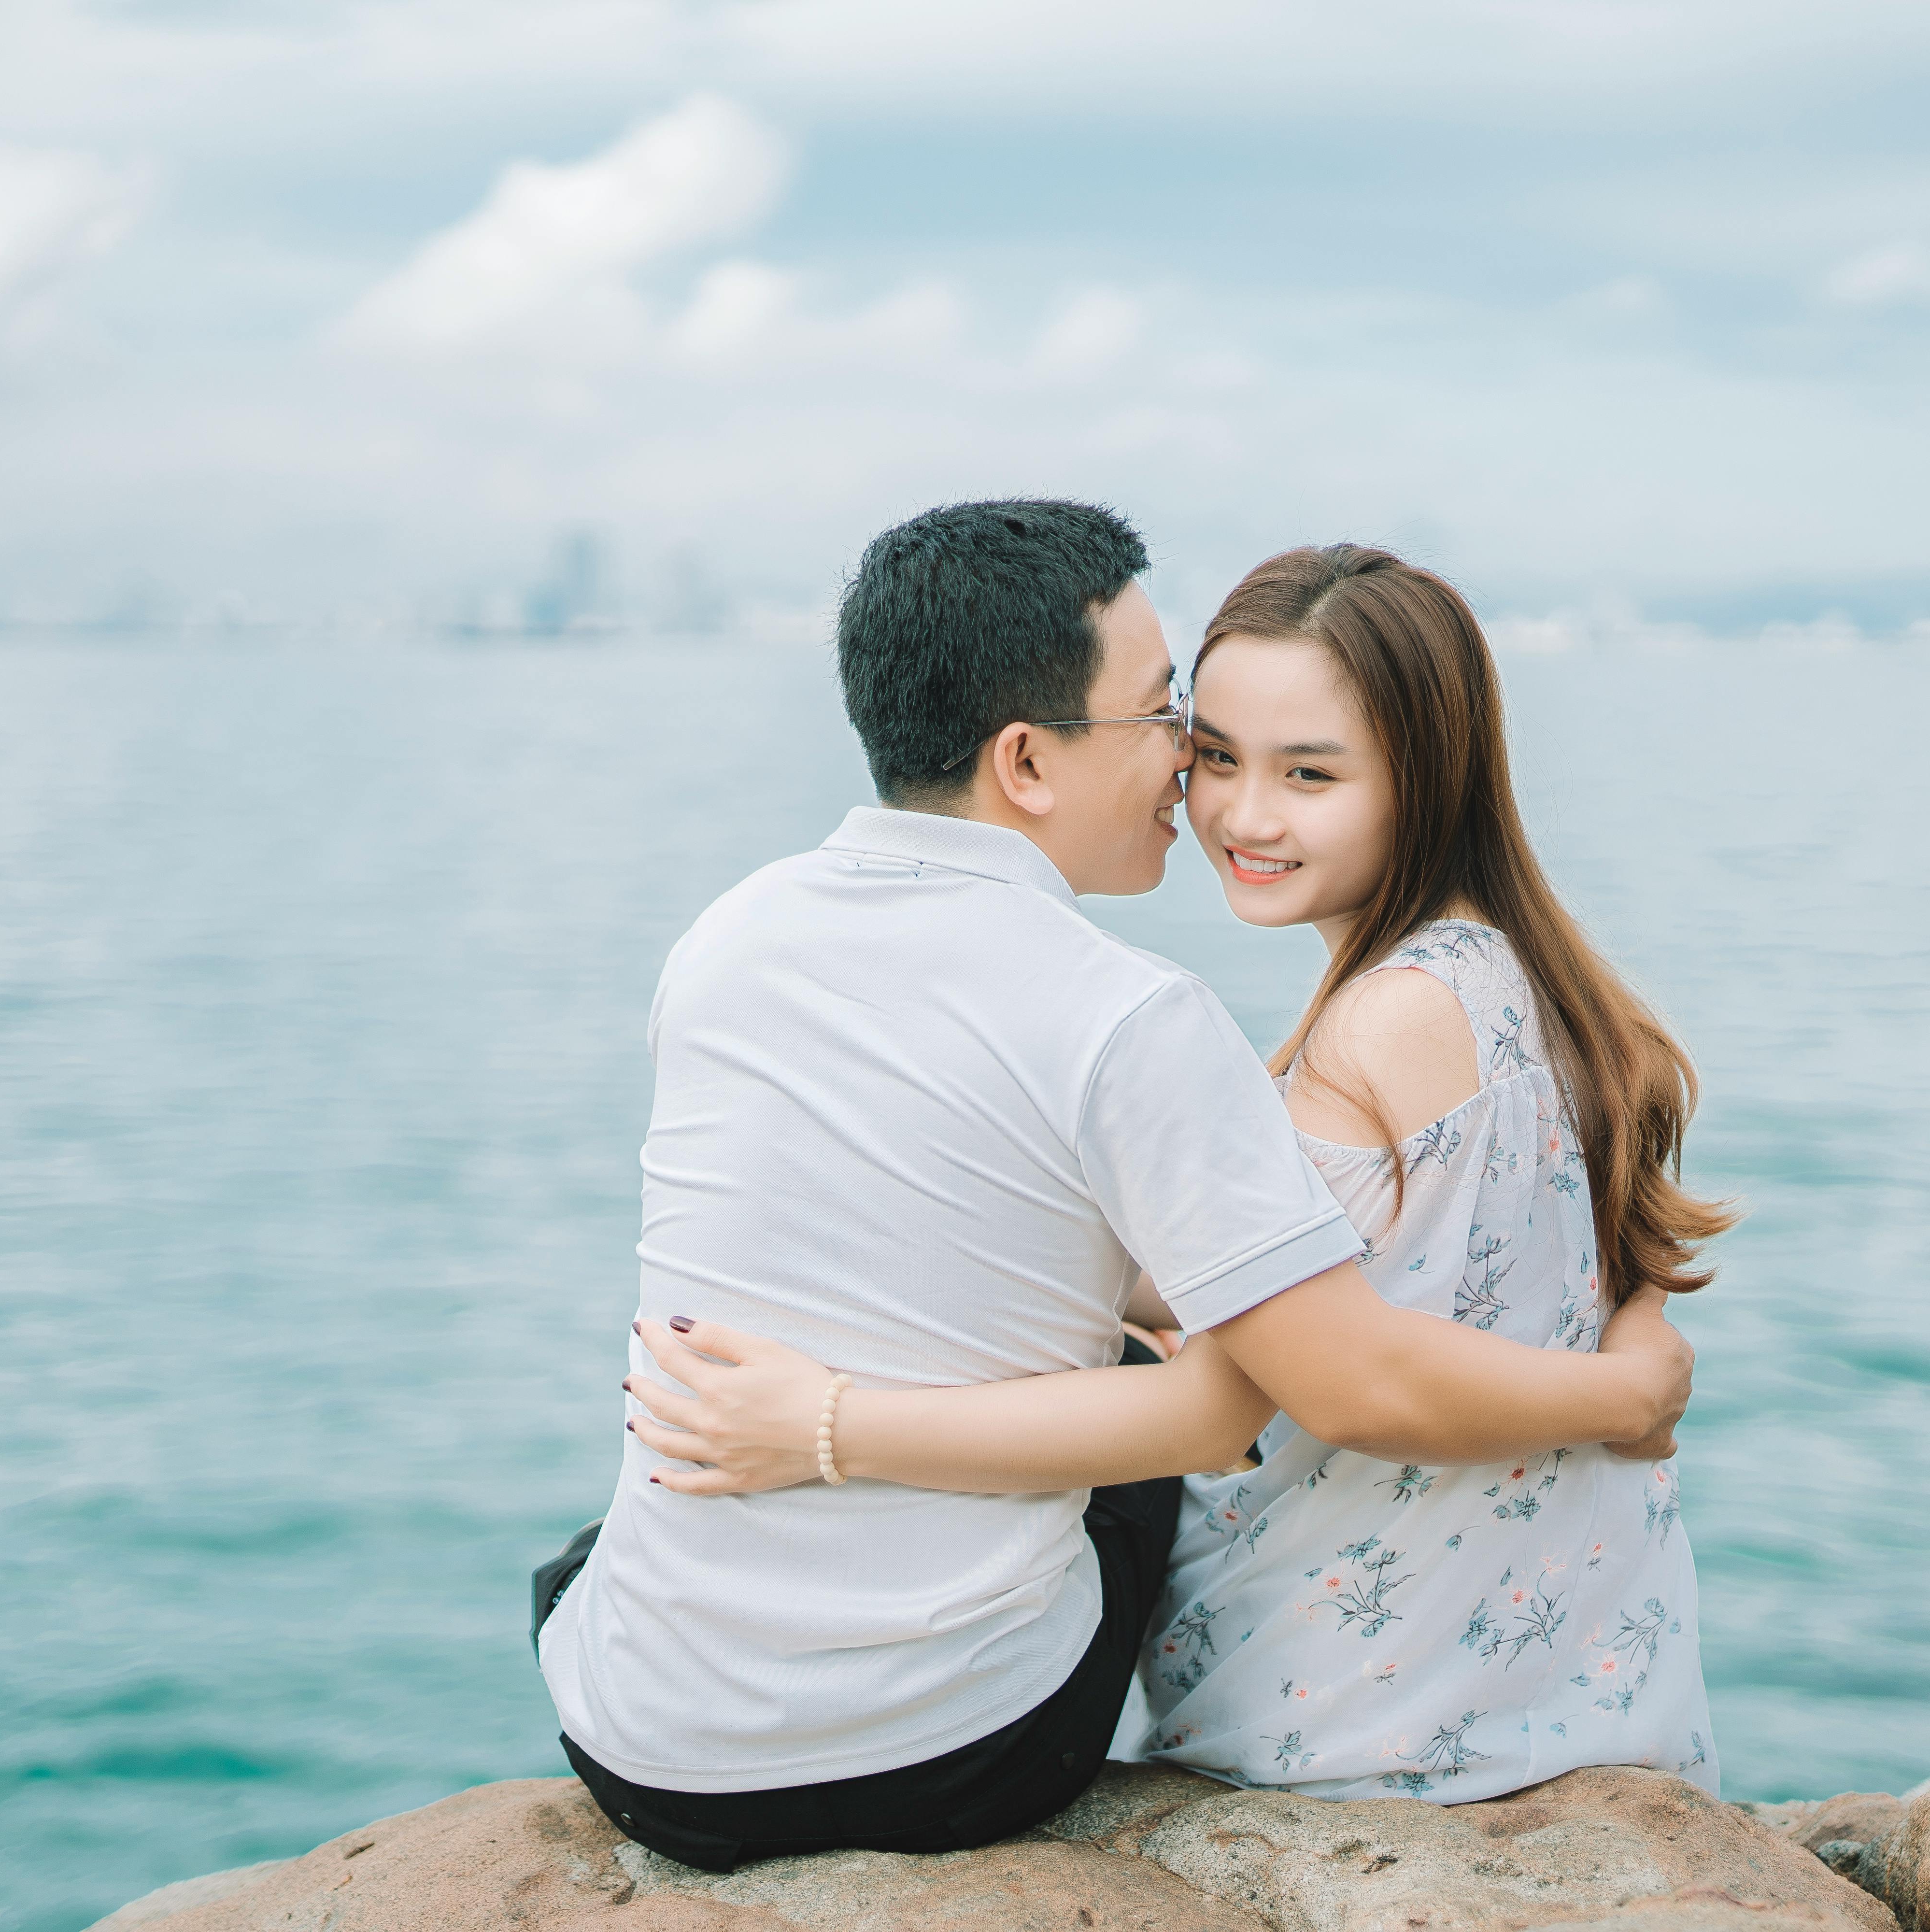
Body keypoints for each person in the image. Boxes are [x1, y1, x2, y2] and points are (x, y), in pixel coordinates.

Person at [537, 502, 1695, 1873]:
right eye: (1179, 732)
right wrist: (1633, 1387)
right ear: (1027, 759)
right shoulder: (1132, 1014)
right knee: (1149, 1360)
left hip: (633, 1741)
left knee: (594, 1555)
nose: (1198, 790)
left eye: (1291, 768)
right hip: (949, 1755)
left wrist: (827, 1421)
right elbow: (1236, 1408)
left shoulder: (723, 940)